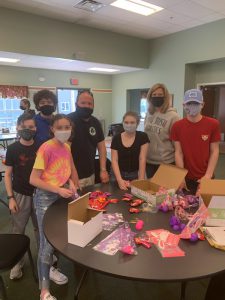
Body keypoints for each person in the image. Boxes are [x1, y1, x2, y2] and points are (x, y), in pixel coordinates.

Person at [30, 114, 79, 300]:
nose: (65, 130)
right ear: (52, 128)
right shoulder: (46, 148)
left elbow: (68, 169)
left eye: (68, 127)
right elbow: (33, 179)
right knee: (46, 243)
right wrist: (58, 189)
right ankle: (44, 291)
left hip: (61, 194)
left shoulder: (66, 147)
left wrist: (72, 183)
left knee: (58, 235)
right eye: (60, 127)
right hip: (45, 198)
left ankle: (50, 268)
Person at [4, 113, 38, 280]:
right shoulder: (12, 149)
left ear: (35, 128)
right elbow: (8, 174)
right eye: (24, 127)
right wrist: (10, 197)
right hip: (20, 194)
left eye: (31, 127)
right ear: (18, 128)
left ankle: (45, 259)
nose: (28, 130)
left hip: (40, 194)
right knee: (19, 230)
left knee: (41, 229)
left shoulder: (42, 146)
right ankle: (17, 262)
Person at [170, 89, 220, 194]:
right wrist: (180, 175)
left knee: (205, 208)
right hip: (186, 177)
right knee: (183, 206)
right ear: (183, 105)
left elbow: (214, 151)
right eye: (189, 103)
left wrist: (208, 175)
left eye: (195, 103)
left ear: (202, 104)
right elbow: (178, 152)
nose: (192, 106)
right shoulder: (177, 126)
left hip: (206, 176)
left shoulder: (213, 124)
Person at [68, 90, 109, 189]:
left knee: (90, 202)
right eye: (83, 103)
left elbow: (102, 148)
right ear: (76, 104)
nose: (86, 106)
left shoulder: (96, 123)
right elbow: (65, 150)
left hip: (91, 174)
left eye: (90, 103)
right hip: (72, 176)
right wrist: (72, 174)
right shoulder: (68, 121)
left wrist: (103, 169)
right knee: (74, 204)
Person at [144, 83, 179, 178]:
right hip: (149, 161)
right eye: (154, 95)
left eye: (160, 95)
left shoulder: (173, 116)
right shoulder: (149, 113)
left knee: (164, 191)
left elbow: (176, 143)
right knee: (150, 191)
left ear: (165, 97)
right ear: (150, 97)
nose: (156, 97)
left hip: (166, 162)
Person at [111, 111, 149, 190]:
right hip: (118, 174)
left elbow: (142, 158)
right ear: (123, 123)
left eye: (132, 122)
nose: (129, 125)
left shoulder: (143, 137)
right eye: (126, 122)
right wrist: (119, 180)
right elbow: (114, 160)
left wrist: (140, 180)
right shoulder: (116, 138)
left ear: (137, 123)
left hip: (135, 174)